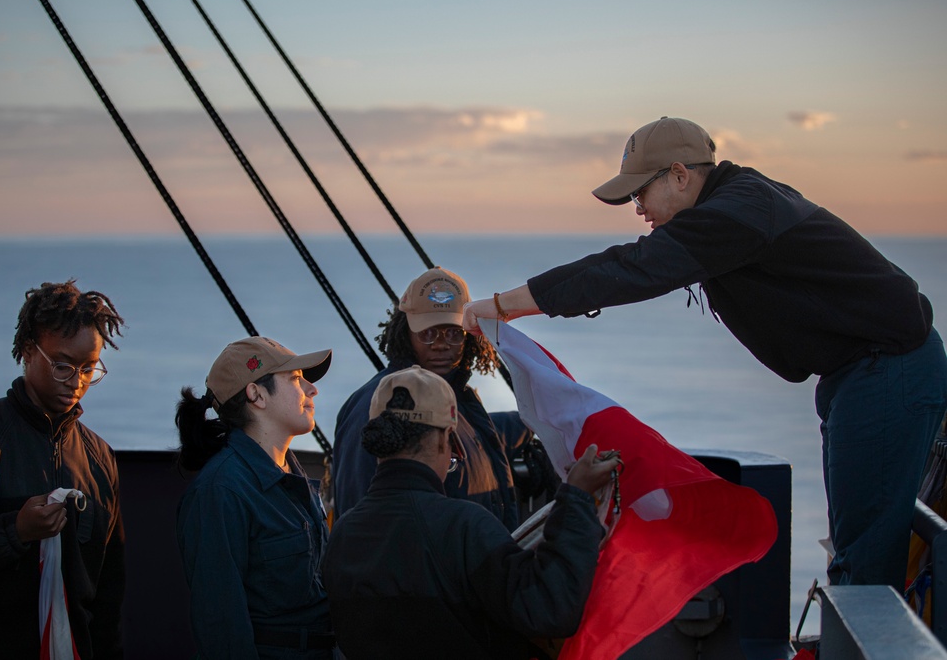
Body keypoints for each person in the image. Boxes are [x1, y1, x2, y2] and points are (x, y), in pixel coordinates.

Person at [462, 116, 947, 591]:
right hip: (859, 373)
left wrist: (505, 306)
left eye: (639, 193)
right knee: (858, 545)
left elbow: (632, 268)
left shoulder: (737, 211)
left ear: (679, 174)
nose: (637, 209)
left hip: (887, 368)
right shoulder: (737, 204)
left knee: (865, 560)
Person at [322, 366, 619, 659]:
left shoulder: (342, 535)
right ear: (445, 439)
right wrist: (577, 499)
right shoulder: (464, 526)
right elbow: (549, 609)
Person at [0, 279, 127, 659]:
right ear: (29, 351)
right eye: (62, 365)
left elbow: (109, 585)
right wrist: (15, 531)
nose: (76, 382)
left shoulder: (100, 457)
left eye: (89, 368)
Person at [175, 336, 336, 659]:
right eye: (295, 379)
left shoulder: (290, 475)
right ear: (256, 394)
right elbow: (221, 624)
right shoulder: (221, 491)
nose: (311, 390)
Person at [333, 266, 527, 530]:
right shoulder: (381, 403)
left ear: (470, 336)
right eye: (427, 333)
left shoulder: (459, 399)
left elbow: (478, 437)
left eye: (453, 332)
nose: (440, 344)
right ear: (405, 334)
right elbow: (360, 515)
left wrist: (533, 423)